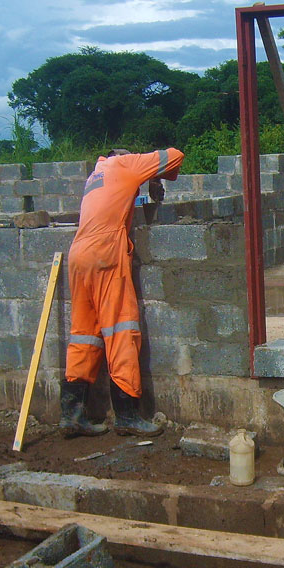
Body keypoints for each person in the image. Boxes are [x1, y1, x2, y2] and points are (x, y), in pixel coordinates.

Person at [60, 147, 184, 437]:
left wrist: (148, 179)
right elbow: (175, 155)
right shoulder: (124, 164)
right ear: (123, 154)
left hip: (79, 256)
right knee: (121, 330)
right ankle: (127, 415)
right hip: (105, 255)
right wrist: (155, 174)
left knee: (84, 334)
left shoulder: (95, 174)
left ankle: (72, 413)